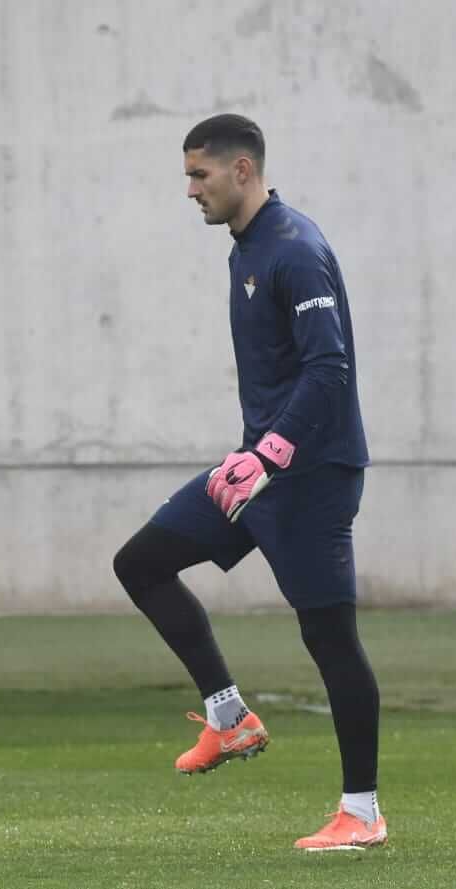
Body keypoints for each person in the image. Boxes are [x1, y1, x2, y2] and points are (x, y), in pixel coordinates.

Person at [112, 114, 383, 851]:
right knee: (140, 562)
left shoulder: (295, 250)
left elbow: (330, 370)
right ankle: (231, 719)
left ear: (242, 170)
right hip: (256, 468)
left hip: (310, 477)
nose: (191, 190)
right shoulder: (247, 248)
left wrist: (267, 454)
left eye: (199, 175)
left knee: (330, 640)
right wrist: (255, 457)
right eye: (188, 176)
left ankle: (361, 811)